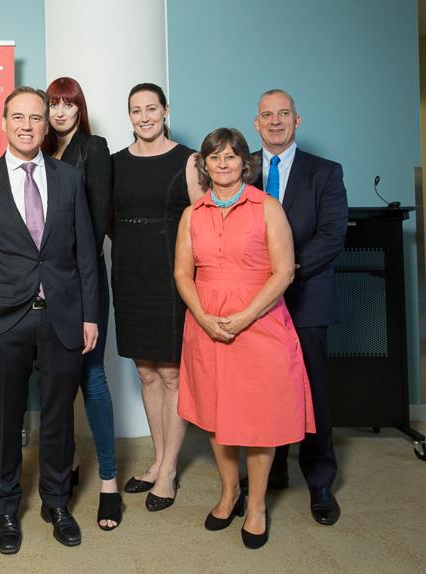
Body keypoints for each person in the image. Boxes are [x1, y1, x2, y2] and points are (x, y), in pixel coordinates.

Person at [0, 86, 98, 554]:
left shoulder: (69, 178)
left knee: (59, 419)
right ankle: (5, 508)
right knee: (6, 420)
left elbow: (86, 255)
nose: (27, 125)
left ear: (46, 124)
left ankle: (56, 503)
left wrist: (90, 315)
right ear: (5, 121)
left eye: (36, 118)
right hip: (5, 320)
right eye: (18, 117)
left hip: (62, 318)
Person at [174, 127, 316, 549]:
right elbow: (183, 272)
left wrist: (243, 317)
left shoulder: (268, 208)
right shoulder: (192, 213)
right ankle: (229, 492)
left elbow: (284, 271)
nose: (222, 164)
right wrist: (202, 315)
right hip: (205, 325)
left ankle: (256, 505)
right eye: (214, 157)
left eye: (231, 157)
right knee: (218, 416)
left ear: (244, 163)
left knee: (259, 419)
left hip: (260, 324)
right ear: (204, 164)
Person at [251, 89, 348, 525]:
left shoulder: (325, 172)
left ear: (297, 120)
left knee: (313, 392)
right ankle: (270, 472)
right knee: (263, 390)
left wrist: (284, 273)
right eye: (267, 115)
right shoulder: (241, 167)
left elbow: (331, 235)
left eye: (283, 114)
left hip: (306, 296)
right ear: (256, 123)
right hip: (254, 301)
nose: (275, 121)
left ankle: (320, 479)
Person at [110, 83, 200, 511]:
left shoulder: (189, 160)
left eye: (151, 108)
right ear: (128, 115)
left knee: (171, 375)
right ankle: (158, 461)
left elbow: (202, 223)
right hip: (129, 273)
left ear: (166, 109)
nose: (144, 116)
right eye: (136, 110)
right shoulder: (114, 163)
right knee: (145, 373)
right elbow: (108, 219)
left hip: (169, 275)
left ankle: (168, 470)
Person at [43, 77, 119, 530]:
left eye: (67, 104)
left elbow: (92, 224)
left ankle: (108, 482)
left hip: (82, 280)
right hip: (45, 287)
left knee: (91, 378)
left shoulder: (95, 148)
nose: (59, 112)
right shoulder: (40, 151)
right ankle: (68, 463)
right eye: (52, 103)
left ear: (79, 109)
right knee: (56, 383)